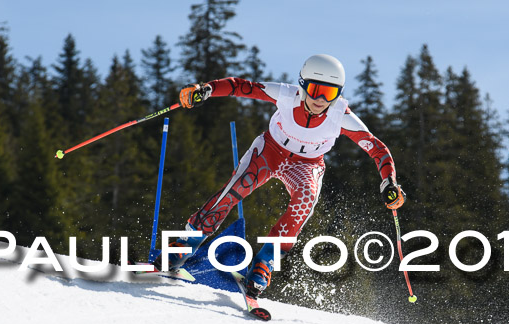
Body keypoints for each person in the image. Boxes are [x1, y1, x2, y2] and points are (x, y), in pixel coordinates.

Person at [161, 54, 405, 299]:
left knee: (305, 200)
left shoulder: (340, 116)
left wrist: (389, 183)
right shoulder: (286, 95)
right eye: (315, 89)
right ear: (302, 85)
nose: (320, 99)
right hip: (271, 151)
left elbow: (377, 148)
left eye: (329, 94)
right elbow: (241, 87)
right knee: (237, 188)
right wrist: (206, 89)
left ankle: (265, 261)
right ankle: (185, 244)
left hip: (307, 164)